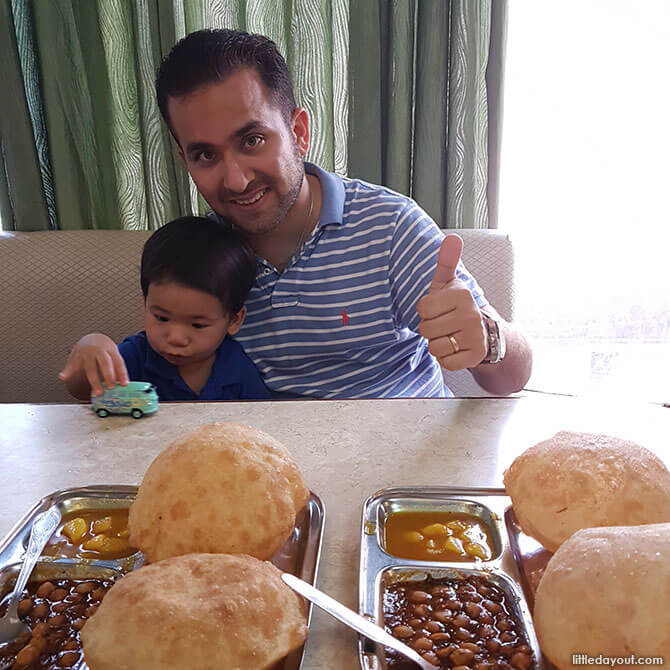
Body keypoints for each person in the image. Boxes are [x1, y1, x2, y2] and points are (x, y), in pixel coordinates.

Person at [152, 28, 532, 399]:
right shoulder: (195, 258)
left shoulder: (389, 227)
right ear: (185, 160)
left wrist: (486, 338)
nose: (236, 180)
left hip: (409, 452)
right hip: (273, 457)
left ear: (299, 132)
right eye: (206, 155)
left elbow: (512, 378)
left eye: (252, 141)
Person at [59, 216, 270, 401]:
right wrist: (89, 347)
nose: (176, 338)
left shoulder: (237, 368)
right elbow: (83, 391)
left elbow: (262, 420)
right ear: (145, 303)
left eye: (197, 324)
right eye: (161, 318)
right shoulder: (136, 356)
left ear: (234, 320)